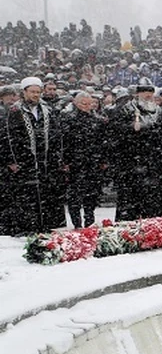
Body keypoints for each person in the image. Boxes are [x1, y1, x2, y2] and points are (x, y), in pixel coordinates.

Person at [1, 76, 65, 235]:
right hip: (23, 159)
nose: (36, 95)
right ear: (24, 92)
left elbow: (56, 134)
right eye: (32, 92)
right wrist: (12, 160)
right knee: (25, 194)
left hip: (45, 159)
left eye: (38, 92)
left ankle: (45, 224)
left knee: (46, 192)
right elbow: (7, 137)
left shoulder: (48, 110)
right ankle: (25, 226)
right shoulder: (13, 111)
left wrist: (57, 156)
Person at [113, 81, 162, 220]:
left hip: (154, 159)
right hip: (133, 159)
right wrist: (130, 128)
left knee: (154, 194)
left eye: (150, 94)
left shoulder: (159, 112)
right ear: (138, 94)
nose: (148, 96)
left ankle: (156, 222)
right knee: (132, 195)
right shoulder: (126, 109)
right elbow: (116, 132)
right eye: (145, 94)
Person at [60, 91, 106, 228]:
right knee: (75, 194)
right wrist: (65, 161)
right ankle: (77, 222)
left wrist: (103, 160)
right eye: (83, 103)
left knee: (91, 194)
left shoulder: (97, 119)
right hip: (75, 161)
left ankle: (89, 220)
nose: (86, 106)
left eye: (89, 103)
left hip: (93, 161)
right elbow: (64, 142)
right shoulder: (68, 118)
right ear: (75, 103)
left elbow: (102, 142)